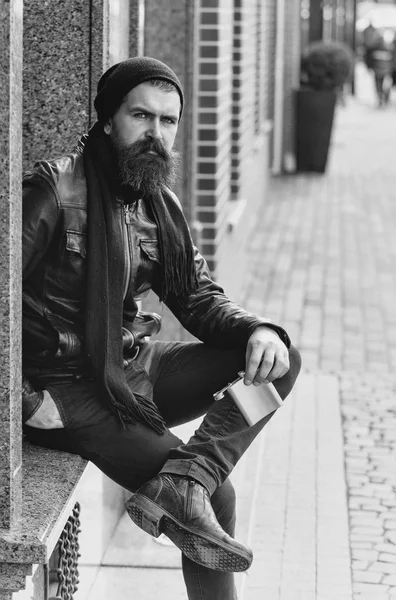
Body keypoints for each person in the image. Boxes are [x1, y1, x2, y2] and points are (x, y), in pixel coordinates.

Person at [22, 56, 301, 599]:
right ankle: (194, 485)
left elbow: (196, 298)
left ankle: (187, 477)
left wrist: (256, 331)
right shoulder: (54, 191)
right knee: (217, 502)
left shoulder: (158, 207)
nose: (156, 134)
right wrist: (23, 398)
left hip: (128, 374)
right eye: (141, 117)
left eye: (168, 121)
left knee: (279, 359)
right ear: (108, 120)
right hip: (67, 389)